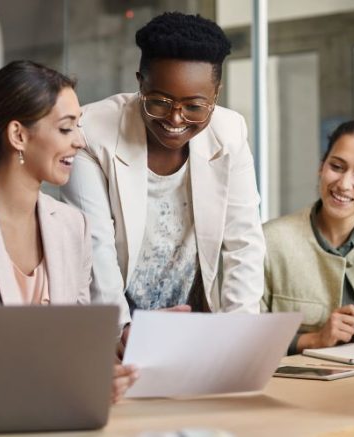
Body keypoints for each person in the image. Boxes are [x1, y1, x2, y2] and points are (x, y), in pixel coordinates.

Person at [0, 60, 136, 402]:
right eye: (65, 128)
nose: (79, 142)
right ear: (18, 135)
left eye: (79, 127)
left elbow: (76, 348)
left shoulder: (73, 226)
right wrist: (73, 383)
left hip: (60, 416)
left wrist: (131, 345)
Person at [61, 12, 265, 340]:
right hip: (119, 329)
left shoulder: (230, 132)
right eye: (159, 102)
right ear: (140, 82)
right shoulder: (90, 132)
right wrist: (120, 331)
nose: (175, 118)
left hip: (196, 328)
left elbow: (244, 243)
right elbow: (94, 247)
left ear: (216, 94)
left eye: (195, 107)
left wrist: (238, 335)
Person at [262, 119, 354, 355]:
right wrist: (314, 339)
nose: (344, 184)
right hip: (297, 387)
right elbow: (243, 340)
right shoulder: (270, 241)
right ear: (321, 166)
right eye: (336, 167)